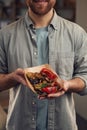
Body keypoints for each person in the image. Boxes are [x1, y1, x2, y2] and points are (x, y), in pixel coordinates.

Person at [0, 0, 87, 130]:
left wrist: (68, 84)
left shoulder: (77, 34)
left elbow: (85, 76)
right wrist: (12, 78)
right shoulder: (5, 35)